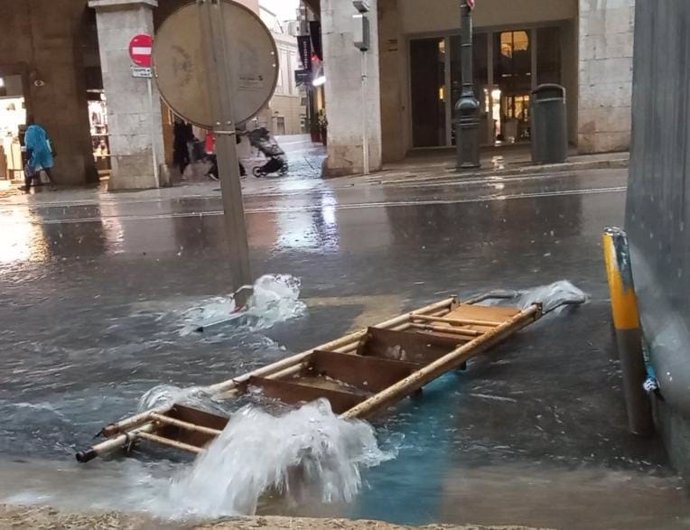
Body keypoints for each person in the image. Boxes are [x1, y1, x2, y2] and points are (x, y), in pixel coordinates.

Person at [23, 119, 55, 191]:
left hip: (35, 152)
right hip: (44, 151)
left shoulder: (28, 132)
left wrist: (27, 157)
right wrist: (51, 151)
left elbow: (29, 145)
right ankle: (53, 184)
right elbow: (47, 140)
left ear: (28, 124)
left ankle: (27, 187)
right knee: (47, 169)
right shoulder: (41, 129)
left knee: (30, 169)